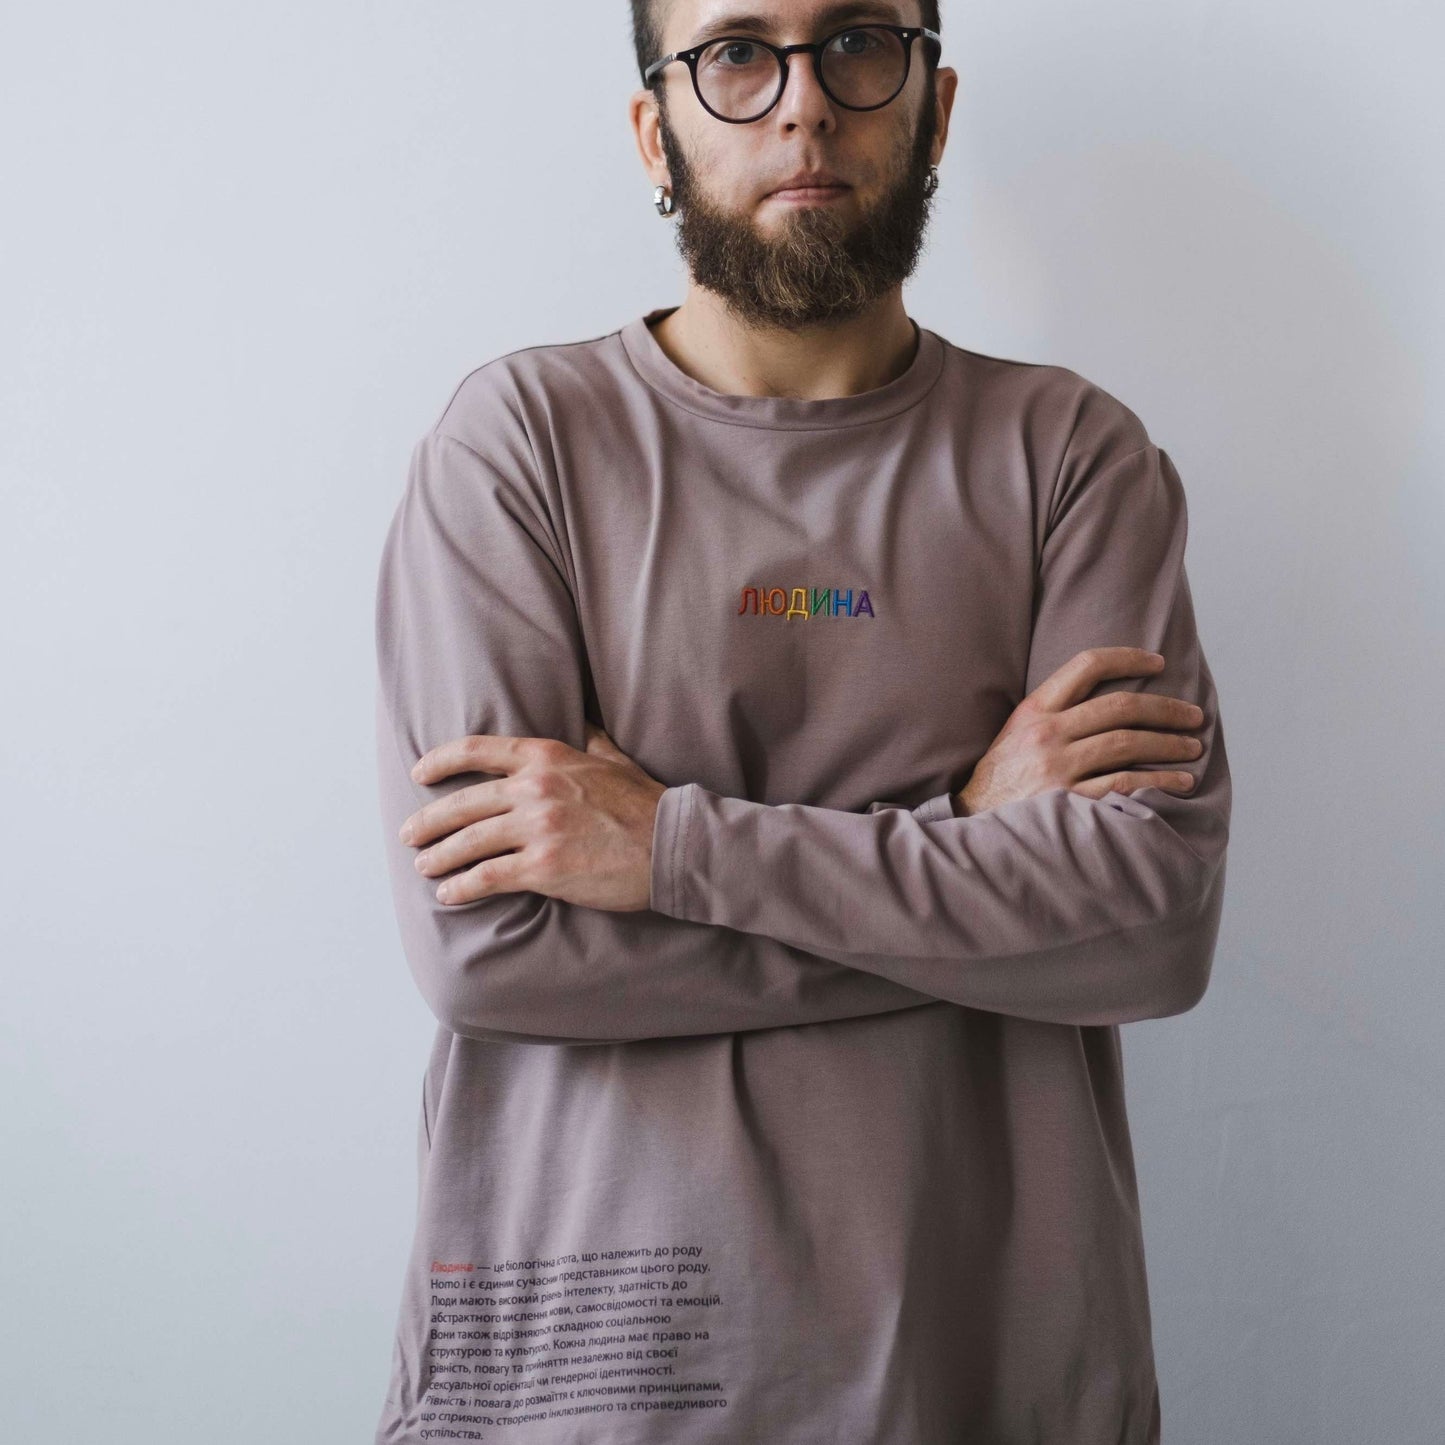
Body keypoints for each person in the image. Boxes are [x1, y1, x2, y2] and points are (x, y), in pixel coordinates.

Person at [370, 1, 1232, 1440]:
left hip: (986, 1372)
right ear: (657, 127)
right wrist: (965, 846)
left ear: (933, 107)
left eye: (855, 43)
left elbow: (1143, 926)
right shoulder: (517, 447)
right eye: (734, 52)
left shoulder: (1071, 460)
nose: (802, 103)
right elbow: (491, 947)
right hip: (599, 1382)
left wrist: (666, 851)